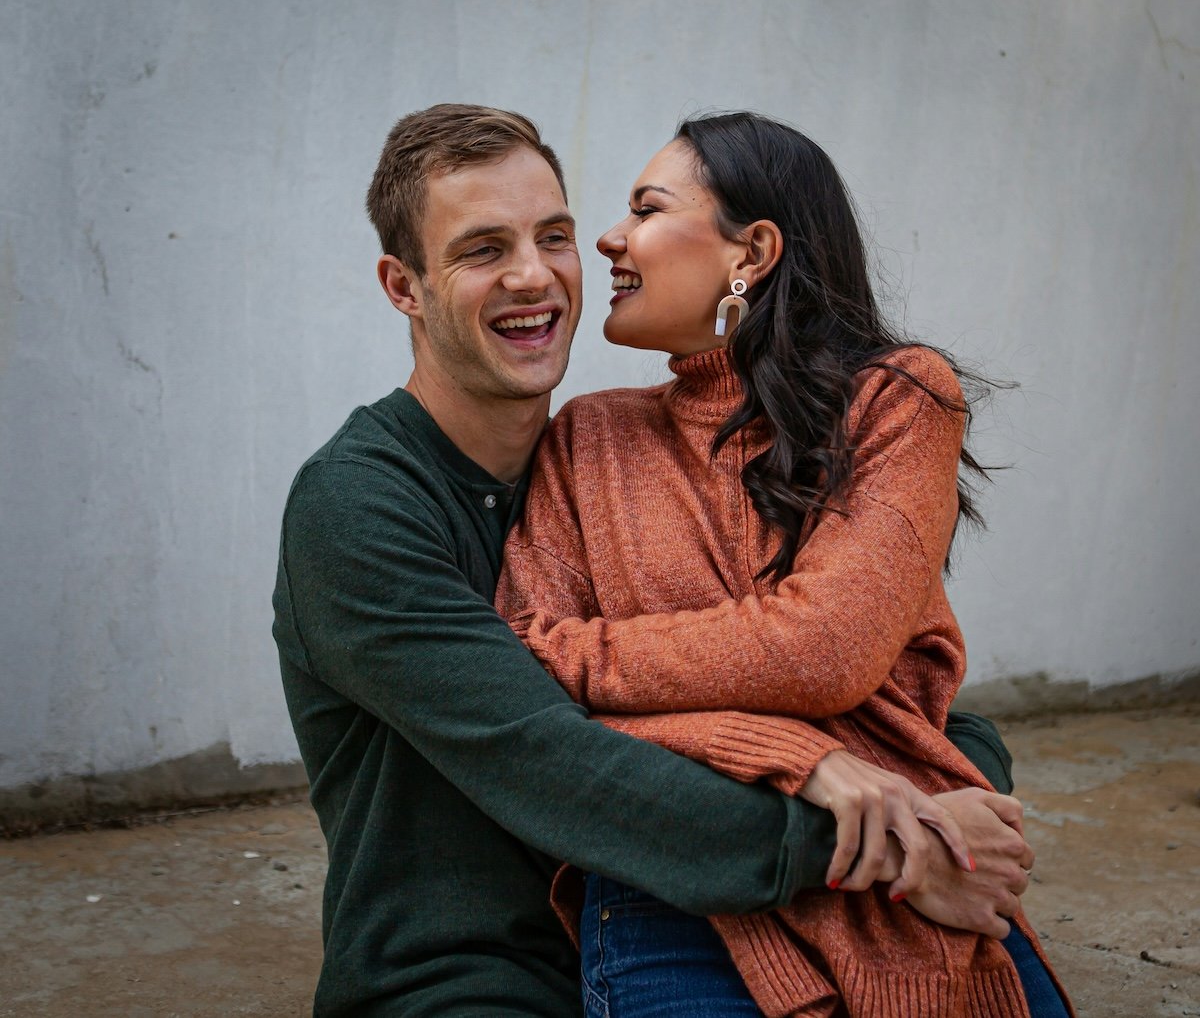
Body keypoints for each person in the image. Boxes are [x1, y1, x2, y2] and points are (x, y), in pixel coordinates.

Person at [273, 103, 1037, 1017]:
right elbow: (549, 755)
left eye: (552, 235)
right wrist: (880, 831)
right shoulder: (358, 504)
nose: (536, 273)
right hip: (468, 973)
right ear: (404, 287)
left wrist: (946, 772)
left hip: (682, 918)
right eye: (482, 250)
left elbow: (866, 679)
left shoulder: (593, 458)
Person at [496, 112, 1073, 1016]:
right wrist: (795, 751)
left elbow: (823, 648)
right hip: (674, 886)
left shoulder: (897, 399)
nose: (608, 237)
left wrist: (589, 659)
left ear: (752, 252)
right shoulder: (588, 436)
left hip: (913, 873)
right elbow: (527, 682)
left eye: (646, 208)